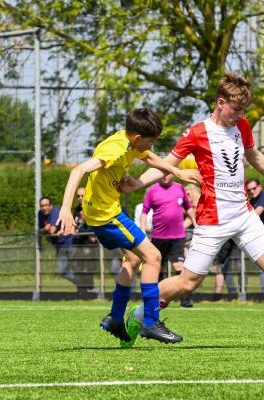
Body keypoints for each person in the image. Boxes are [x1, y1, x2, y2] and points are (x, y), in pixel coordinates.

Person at [120, 72, 264, 349]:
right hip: (212, 220)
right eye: (236, 110)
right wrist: (136, 183)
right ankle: (138, 315)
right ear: (220, 102)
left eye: (242, 111)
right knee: (187, 283)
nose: (239, 115)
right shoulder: (197, 132)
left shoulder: (242, 126)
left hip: (245, 216)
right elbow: (167, 163)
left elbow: (254, 155)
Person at [57, 107, 201, 345]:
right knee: (153, 256)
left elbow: (151, 158)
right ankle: (151, 321)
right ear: (137, 138)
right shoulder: (114, 149)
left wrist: (177, 171)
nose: (151, 146)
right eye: (150, 141)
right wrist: (65, 207)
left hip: (105, 212)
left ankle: (115, 317)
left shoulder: (130, 142)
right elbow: (78, 170)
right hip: (107, 215)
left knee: (133, 260)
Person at [141, 174, 196, 307]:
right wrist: (142, 229)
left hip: (177, 236)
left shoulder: (179, 188)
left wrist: (196, 223)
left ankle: (185, 301)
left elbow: (188, 207)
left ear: (172, 174)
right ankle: (157, 298)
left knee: (179, 266)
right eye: (162, 173)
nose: (165, 176)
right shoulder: (152, 190)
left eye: (168, 173)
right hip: (159, 236)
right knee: (158, 268)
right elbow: (144, 211)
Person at [37, 196, 76, 287]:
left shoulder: (56, 211)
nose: (44, 208)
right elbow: (40, 230)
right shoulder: (40, 214)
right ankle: (83, 285)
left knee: (76, 268)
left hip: (69, 243)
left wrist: (46, 229)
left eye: (46, 205)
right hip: (59, 246)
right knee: (62, 271)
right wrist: (45, 229)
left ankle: (86, 286)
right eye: (42, 206)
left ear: (51, 206)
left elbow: (52, 230)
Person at [72, 187, 99, 293]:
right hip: (78, 242)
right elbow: (76, 224)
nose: (80, 198)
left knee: (89, 266)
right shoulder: (76, 210)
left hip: (89, 243)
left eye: (82, 196)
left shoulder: (92, 208)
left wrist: (82, 231)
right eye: (78, 196)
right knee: (77, 267)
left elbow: (92, 225)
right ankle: (80, 289)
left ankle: (90, 287)